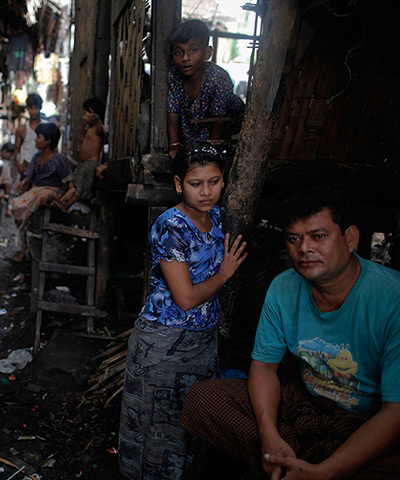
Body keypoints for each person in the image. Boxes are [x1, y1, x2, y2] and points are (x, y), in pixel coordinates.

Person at [181, 190, 400, 480]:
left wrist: (326, 473)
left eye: (318, 237)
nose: (304, 249)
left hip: (367, 418)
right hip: (306, 405)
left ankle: (307, 468)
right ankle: (286, 461)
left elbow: (395, 411)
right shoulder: (283, 287)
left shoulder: (391, 298)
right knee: (203, 399)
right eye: (294, 239)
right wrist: (268, 433)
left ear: (350, 239)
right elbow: (263, 367)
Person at [117, 141, 247, 479]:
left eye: (214, 182)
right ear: (178, 184)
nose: (206, 192)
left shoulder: (217, 218)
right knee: (157, 433)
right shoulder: (170, 225)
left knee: (191, 428)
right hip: (163, 345)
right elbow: (186, 298)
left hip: (202, 344)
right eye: (195, 183)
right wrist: (224, 274)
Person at [167, 19, 244, 158]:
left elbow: (218, 119)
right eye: (179, 52)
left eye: (193, 50)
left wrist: (210, 151)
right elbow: (173, 111)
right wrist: (174, 146)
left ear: (207, 53)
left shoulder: (217, 79)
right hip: (196, 130)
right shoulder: (175, 75)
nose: (185, 58)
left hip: (226, 128)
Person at [10, 122, 72, 262]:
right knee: (15, 204)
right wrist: (24, 182)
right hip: (36, 191)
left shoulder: (60, 159)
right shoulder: (36, 157)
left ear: (48, 141)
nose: (35, 140)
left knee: (43, 196)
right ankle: (25, 242)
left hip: (52, 192)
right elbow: (29, 175)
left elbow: (68, 181)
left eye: (39, 137)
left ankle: (28, 217)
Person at [56, 97, 106, 212]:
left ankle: (66, 205)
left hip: (91, 164)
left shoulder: (98, 129)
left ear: (92, 113)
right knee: (72, 181)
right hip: (84, 164)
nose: (83, 117)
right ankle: (63, 200)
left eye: (85, 114)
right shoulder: (90, 128)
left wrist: (97, 119)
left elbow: (103, 130)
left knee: (80, 187)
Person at [14, 93, 43, 175]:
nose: (33, 111)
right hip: (27, 165)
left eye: (36, 108)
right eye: (31, 108)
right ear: (27, 108)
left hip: (42, 166)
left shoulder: (45, 127)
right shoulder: (21, 129)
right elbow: (17, 149)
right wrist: (18, 165)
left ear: (40, 108)